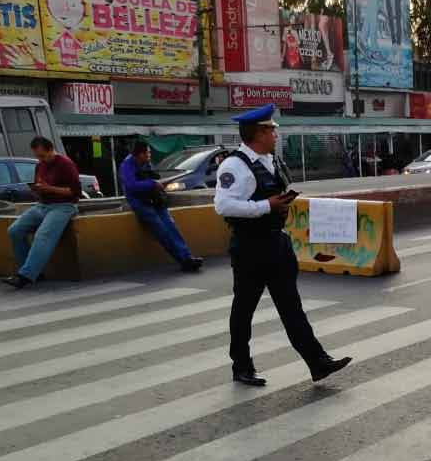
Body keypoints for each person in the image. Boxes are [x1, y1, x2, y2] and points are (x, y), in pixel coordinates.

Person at [214, 104, 351, 387]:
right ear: (258, 133)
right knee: (244, 309)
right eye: (272, 131)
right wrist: (267, 205)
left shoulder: (269, 160)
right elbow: (223, 205)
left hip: (276, 243)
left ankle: (318, 362)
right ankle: (241, 366)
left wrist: (280, 204)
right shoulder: (234, 166)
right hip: (250, 247)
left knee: (291, 307)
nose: (276, 135)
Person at [3, 137, 81, 289]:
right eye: (37, 156)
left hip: (63, 206)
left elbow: (75, 192)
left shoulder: (66, 164)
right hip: (43, 205)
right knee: (14, 230)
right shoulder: (40, 165)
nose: (40, 159)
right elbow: (40, 185)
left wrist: (49, 189)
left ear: (51, 150)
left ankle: (25, 276)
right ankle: (33, 271)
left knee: (43, 235)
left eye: (43, 156)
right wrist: (37, 190)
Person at [119, 140, 203, 272]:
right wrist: (152, 183)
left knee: (171, 227)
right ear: (140, 154)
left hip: (154, 199)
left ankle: (187, 256)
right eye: (147, 153)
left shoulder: (146, 163)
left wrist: (158, 183)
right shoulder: (126, 165)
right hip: (140, 202)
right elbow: (131, 186)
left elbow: (152, 176)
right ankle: (183, 260)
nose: (149, 155)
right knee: (162, 231)